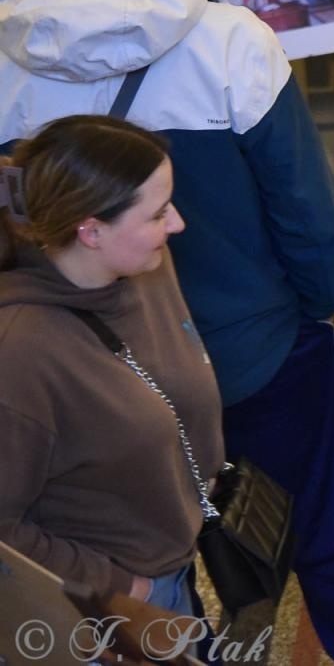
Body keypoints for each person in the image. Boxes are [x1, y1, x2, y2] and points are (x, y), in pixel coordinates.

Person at [0, 0, 334, 664]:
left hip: (86, 389)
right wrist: (311, 316)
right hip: (254, 354)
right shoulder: (233, 39)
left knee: (148, 574)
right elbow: (307, 217)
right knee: (326, 532)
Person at [0, 115, 219, 617]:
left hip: (176, 556)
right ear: (92, 231)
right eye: (158, 213)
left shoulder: (146, 268)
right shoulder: (20, 355)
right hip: (109, 604)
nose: (178, 223)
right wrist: (123, 586)